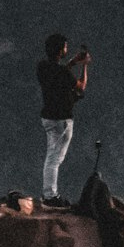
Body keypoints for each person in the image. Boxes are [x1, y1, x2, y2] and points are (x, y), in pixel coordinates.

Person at [36, 32, 91, 209]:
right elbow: (81, 86)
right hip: (61, 120)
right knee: (54, 159)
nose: (67, 49)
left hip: (48, 117)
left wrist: (73, 63)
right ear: (60, 50)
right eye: (65, 47)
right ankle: (50, 197)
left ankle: (49, 195)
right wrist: (84, 66)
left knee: (51, 156)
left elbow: (59, 74)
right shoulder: (60, 72)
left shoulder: (42, 67)